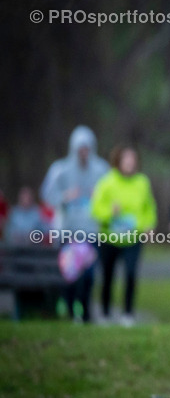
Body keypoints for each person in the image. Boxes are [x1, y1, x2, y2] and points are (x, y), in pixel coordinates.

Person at [40, 126, 110, 322]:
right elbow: (46, 194)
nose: (84, 153)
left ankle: (86, 311)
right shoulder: (60, 169)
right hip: (68, 230)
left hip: (91, 230)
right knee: (69, 273)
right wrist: (65, 196)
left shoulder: (102, 169)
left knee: (88, 275)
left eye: (87, 148)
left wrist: (101, 198)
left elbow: (111, 195)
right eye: (80, 149)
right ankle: (70, 309)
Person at [90, 146, 157, 326]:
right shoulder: (107, 182)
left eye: (133, 159)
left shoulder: (142, 182)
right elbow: (95, 209)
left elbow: (149, 207)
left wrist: (149, 225)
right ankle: (105, 313)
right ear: (118, 161)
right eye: (126, 159)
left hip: (132, 239)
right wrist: (110, 212)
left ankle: (128, 314)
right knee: (108, 276)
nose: (130, 163)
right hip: (109, 238)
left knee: (131, 274)